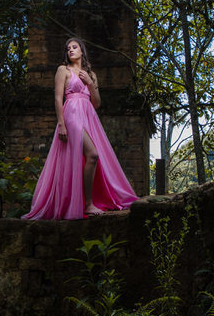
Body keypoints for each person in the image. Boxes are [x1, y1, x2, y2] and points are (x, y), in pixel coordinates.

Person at [23, 37, 138, 219]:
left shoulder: (91, 74)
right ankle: (88, 204)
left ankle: (88, 202)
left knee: (92, 157)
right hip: (72, 115)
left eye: (74, 47)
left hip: (89, 116)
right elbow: (57, 98)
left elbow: (97, 103)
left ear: (82, 50)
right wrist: (61, 124)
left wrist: (90, 84)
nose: (70, 50)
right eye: (68, 48)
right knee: (92, 154)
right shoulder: (63, 70)